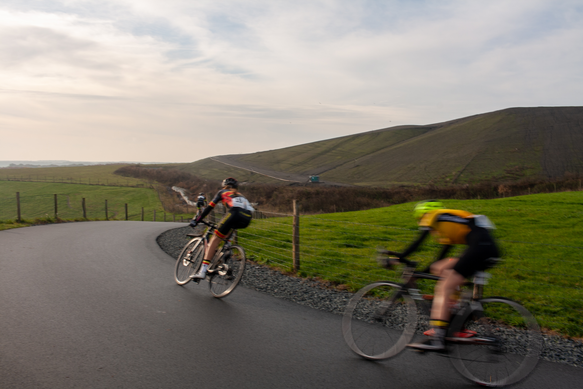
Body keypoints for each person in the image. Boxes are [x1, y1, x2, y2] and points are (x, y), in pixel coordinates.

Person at [379, 200, 500, 352]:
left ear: (423, 214)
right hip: (486, 248)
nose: (422, 223)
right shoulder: (447, 226)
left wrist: (399, 257)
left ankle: (438, 338)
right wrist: (420, 273)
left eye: (419, 219)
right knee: (440, 268)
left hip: (481, 249)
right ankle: (453, 312)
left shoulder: (434, 215)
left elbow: (418, 242)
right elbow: (439, 258)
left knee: (443, 286)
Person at [189, 178, 254, 279]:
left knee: (215, 239)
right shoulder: (240, 195)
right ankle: (225, 255)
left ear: (224, 185)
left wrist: (197, 220)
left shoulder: (222, 192)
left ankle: (202, 271)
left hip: (235, 213)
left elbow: (209, 208)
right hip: (248, 217)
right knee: (227, 234)